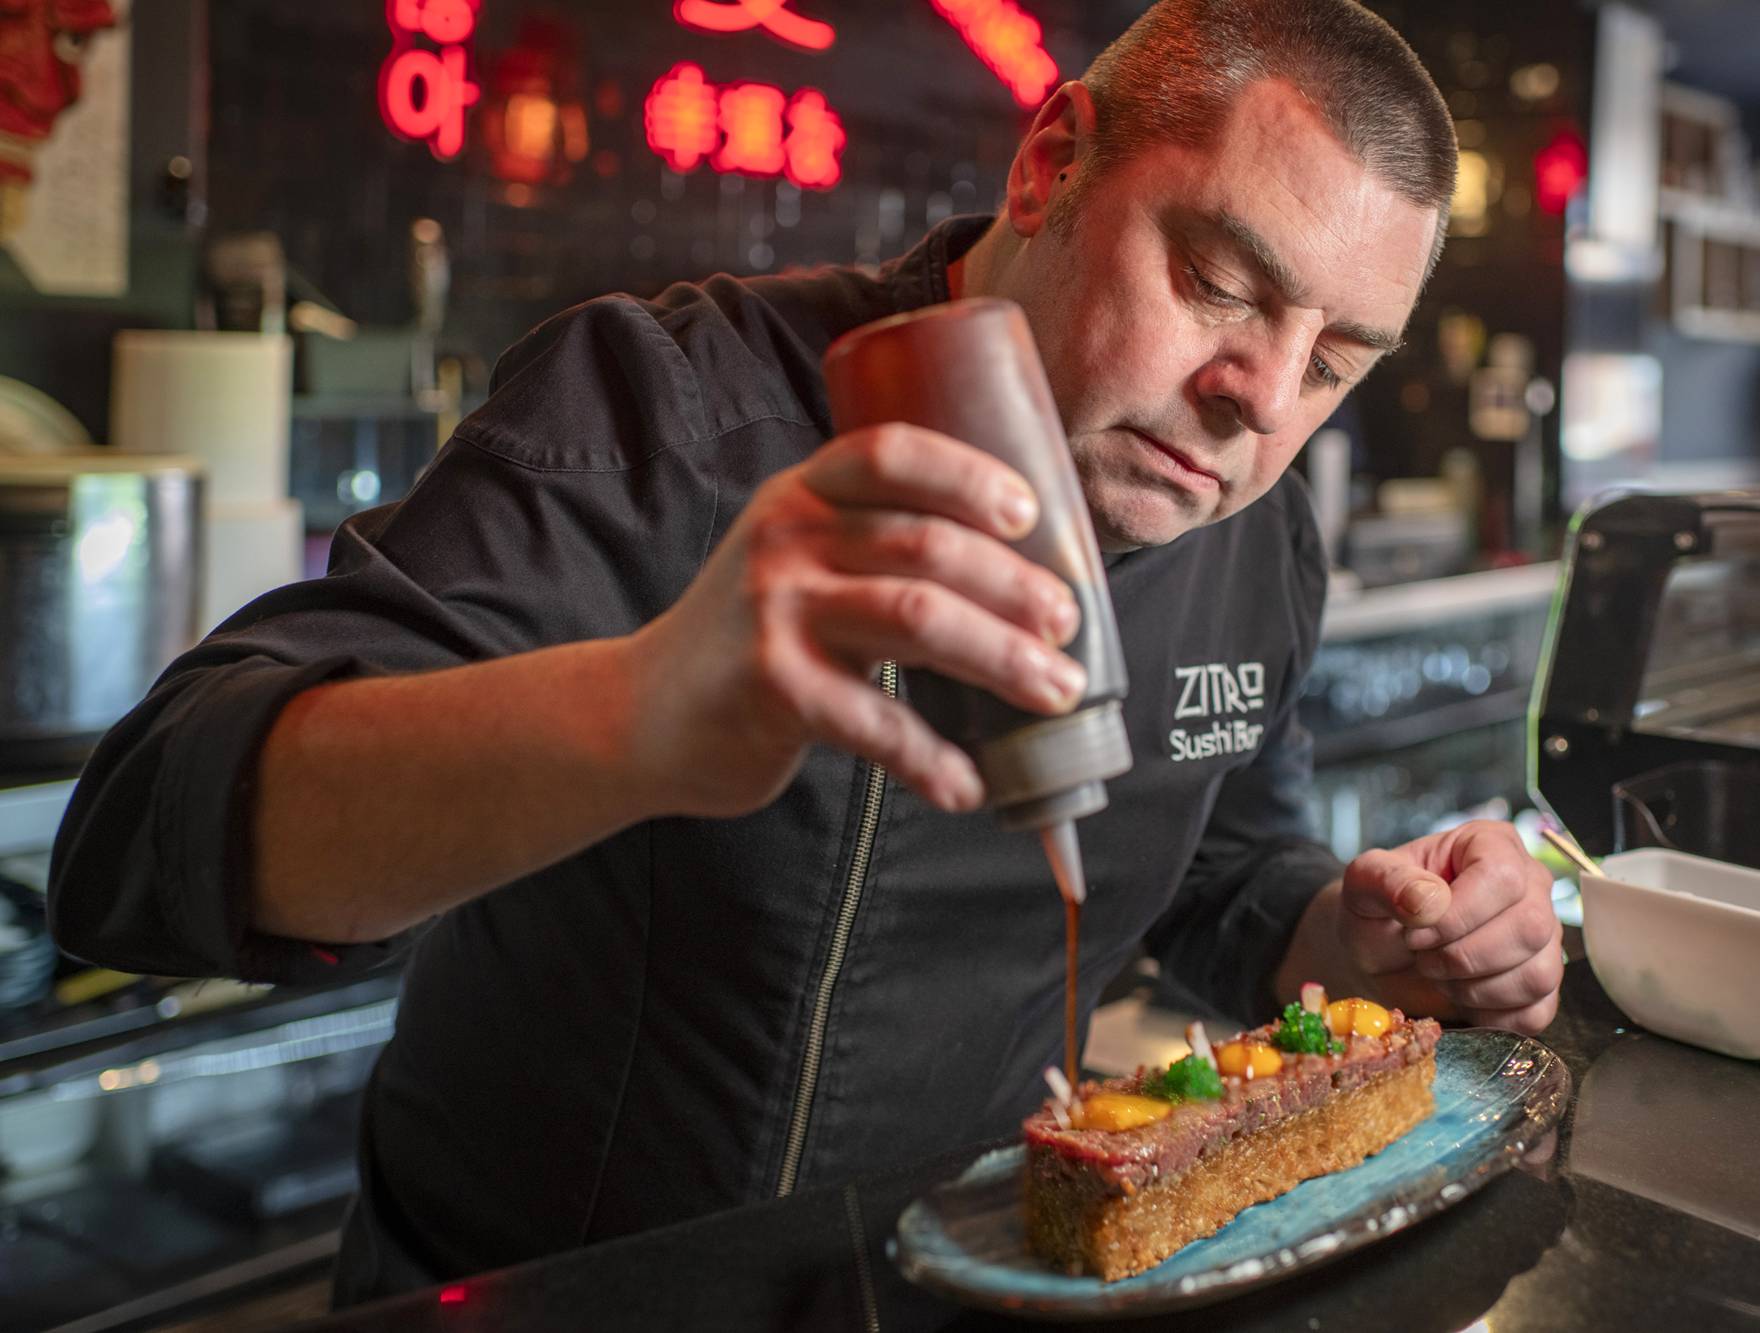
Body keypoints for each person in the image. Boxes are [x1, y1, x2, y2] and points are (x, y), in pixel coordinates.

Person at [50, 0, 1559, 1304]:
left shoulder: (1261, 538)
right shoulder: (666, 411)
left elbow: (1227, 870)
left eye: (1336, 364)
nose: (1259, 400)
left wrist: (1361, 942)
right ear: (1051, 164)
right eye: (1225, 287)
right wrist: (636, 711)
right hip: (544, 1301)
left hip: (966, 1286)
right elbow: (144, 839)